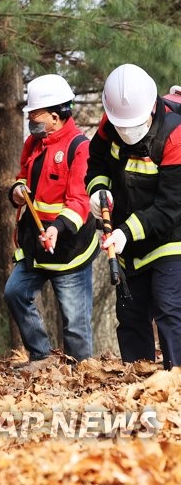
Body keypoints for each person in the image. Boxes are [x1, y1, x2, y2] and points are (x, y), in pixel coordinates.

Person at [86, 63, 181, 370]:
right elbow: (97, 163)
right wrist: (99, 191)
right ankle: (136, 385)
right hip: (128, 239)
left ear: (152, 107)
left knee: (169, 307)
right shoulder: (110, 121)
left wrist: (124, 233)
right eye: (120, 126)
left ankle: (176, 381)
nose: (126, 132)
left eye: (133, 126)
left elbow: (169, 208)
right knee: (131, 312)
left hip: (171, 237)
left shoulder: (175, 136)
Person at [4, 75, 98, 365]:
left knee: (74, 323)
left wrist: (57, 228)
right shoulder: (32, 143)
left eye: (35, 114)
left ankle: (81, 373)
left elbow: (79, 200)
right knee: (15, 292)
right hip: (36, 246)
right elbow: (23, 178)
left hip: (70, 249)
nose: (30, 119)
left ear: (55, 116)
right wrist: (17, 191)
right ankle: (41, 355)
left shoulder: (79, 147)